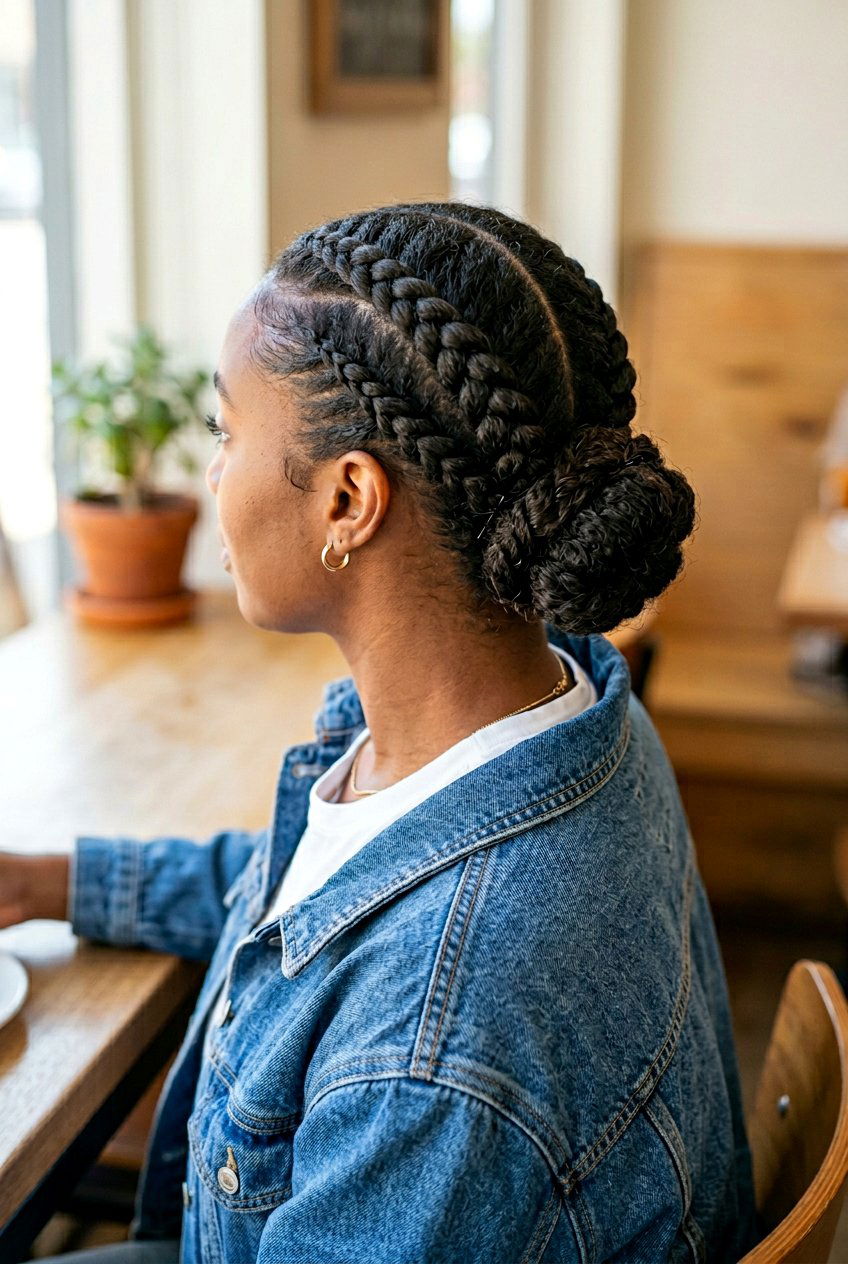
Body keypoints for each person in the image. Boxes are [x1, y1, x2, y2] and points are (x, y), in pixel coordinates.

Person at [3, 202, 759, 1262]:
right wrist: (45, 880)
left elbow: (395, 984)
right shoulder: (561, 705)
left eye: (225, 434)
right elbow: (302, 898)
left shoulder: (433, 1057)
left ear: (348, 499)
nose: (211, 477)